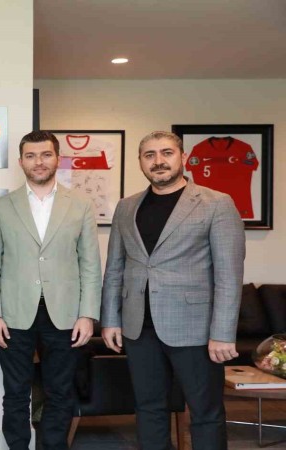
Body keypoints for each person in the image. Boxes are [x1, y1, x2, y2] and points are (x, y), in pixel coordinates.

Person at [101, 131, 245, 449]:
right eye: (149, 155)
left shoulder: (217, 203)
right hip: (139, 327)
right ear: (141, 162)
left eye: (166, 153)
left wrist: (223, 333)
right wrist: (110, 319)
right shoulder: (126, 207)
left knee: (205, 412)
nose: (158, 161)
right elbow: (115, 269)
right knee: (148, 408)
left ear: (183, 157)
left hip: (195, 329)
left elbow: (229, 275)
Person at [0, 130, 101, 449]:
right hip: (13, 314)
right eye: (31, 156)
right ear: (21, 161)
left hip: (65, 314)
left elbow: (90, 264)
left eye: (46, 154)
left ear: (57, 158)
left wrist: (87, 314)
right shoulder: (3, 206)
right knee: (15, 393)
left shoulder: (80, 205)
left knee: (60, 392)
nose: (39, 162)